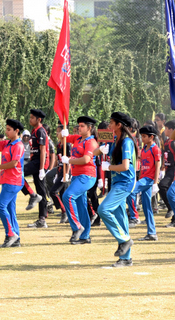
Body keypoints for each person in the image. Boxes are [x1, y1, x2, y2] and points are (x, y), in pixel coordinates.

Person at [97, 112, 139, 267]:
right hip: (117, 182)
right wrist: (98, 150)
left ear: (119, 125)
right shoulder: (116, 139)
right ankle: (126, 259)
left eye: (111, 123)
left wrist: (109, 167)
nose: (109, 126)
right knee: (121, 218)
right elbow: (96, 149)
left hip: (125, 182)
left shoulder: (126, 142)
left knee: (103, 209)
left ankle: (125, 240)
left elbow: (125, 166)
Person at [61, 115, 100, 245]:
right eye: (79, 126)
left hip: (87, 176)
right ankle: (85, 236)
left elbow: (86, 160)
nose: (79, 128)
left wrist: (69, 161)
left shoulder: (91, 142)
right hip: (77, 176)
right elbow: (63, 139)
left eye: (82, 126)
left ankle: (77, 227)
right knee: (81, 205)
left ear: (89, 128)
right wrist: (63, 134)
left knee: (68, 196)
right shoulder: (78, 138)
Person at [0, 119, 25, 248]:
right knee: (10, 209)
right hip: (8, 180)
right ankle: (16, 237)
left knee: (0, 206)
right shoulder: (8, 143)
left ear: (16, 131)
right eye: (6, 129)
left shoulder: (18, 145)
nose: (6, 132)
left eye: (8, 129)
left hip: (14, 180)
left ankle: (11, 234)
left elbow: (14, 163)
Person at [24, 109, 52, 229]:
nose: (30, 119)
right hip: (34, 161)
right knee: (41, 191)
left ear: (39, 119)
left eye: (32, 117)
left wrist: (41, 168)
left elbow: (43, 150)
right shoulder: (34, 131)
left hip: (39, 163)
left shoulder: (40, 131)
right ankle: (42, 219)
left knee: (18, 173)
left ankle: (32, 194)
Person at [135, 126, 161, 242]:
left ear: (152, 137)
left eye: (144, 136)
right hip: (143, 178)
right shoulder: (144, 148)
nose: (142, 139)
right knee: (147, 208)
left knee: (130, 190)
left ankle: (133, 217)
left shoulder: (155, 149)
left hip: (149, 180)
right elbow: (141, 167)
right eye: (141, 136)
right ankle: (152, 233)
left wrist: (155, 183)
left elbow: (157, 166)